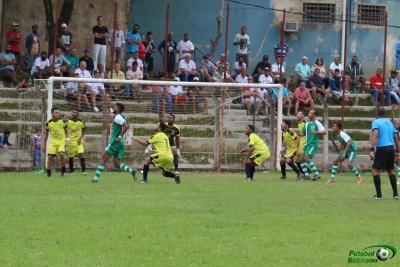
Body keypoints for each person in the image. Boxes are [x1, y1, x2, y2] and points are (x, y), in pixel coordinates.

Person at [90, 103, 137, 183]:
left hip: (116, 141)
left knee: (103, 159)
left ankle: (95, 179)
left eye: (114, 107)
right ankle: (132, 170)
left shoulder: (118, 117)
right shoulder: (123, 117)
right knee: (116, 164)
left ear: (117, 109)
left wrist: (119, 136)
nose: (113, 109)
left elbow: (126, 126)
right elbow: (127, 125)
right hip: (121, 142)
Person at [369, 107, 399, 199]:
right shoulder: (390, 123)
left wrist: (372, 150)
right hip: (391, 148)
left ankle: (379, 195)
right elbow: (396, 137)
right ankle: (395, 195)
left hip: (382, 148)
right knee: (391, 171)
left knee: (375, 171)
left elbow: (376, 135)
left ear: (377, 113)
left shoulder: (376, 122)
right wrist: (398, 151)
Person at [298, 109, 326, 180]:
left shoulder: (317, 123)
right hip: (307, 144)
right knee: (301, 158)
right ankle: (307, 175)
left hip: (313, 144)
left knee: (306, 158)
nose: (309, 114)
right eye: (309, 112)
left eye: (310, 113)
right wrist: (296, 134)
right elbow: (303, 133)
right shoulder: (307, 123)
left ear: (314, 115)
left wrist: (316, 132)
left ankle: (317, 174)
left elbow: (324, 132)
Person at [42, 107, 69, 178]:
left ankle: (63, 172)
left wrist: (67, 140)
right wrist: (44, 145)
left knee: (62, 154)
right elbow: (46, 135)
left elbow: (67, 131)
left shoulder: (62, 121)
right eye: (56, 113)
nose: (58, 114)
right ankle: (48, 174)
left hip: (61, 141)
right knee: (50, 156)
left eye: (58, 113)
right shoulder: (48, 123)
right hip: (53, 142)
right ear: (52, 113)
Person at [66, 109, 87, 175]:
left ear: (78, 114)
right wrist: (67, 139)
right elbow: (65, 130)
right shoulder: (68, 121)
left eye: (75, 112)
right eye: (72, 112)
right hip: (71, 141)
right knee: (71, 156)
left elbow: (84, 130)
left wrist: (80, 138)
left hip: (79, 141)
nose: (73, 113)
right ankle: (71, 171)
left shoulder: (81, 122)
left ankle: (83, 171)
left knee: (81, 154)